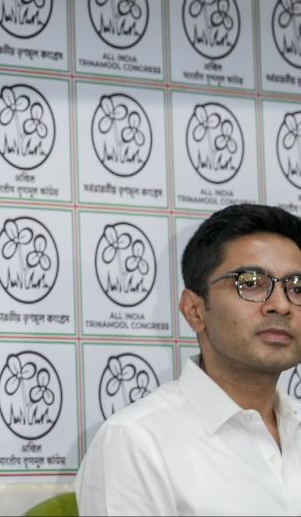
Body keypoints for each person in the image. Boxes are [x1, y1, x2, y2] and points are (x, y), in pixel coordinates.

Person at [76, 204, 301, 515]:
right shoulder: (137, 440)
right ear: (194, 310)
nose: (281, 305)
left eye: (297, 288)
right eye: (250, 283)